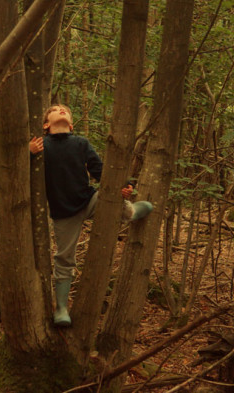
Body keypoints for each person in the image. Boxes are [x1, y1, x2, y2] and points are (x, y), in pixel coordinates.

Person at [29, 104, 153, 327]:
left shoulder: (80, 143)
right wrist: (29, 153)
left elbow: (100, 170)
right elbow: (21, 171)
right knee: (64, 257)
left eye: (65, 109)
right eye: (56, 109)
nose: (62, 110)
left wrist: (125, 185)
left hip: (88, 199)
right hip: (63, 211)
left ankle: (132, 212)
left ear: (71, 123)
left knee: (119, 205)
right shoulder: (42, 146)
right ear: (46, 124)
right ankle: (61, 308)